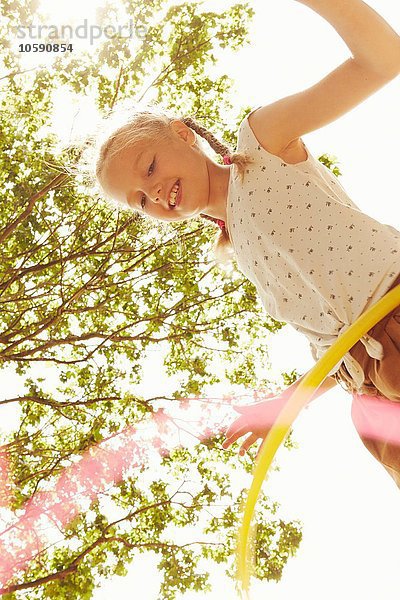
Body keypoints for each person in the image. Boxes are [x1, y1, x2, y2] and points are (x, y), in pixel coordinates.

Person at [90, 0, 400, 487]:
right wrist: (286, 402)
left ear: (180, 134)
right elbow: (333, 339)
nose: (153, 194)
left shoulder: (260, 146)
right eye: (139, 201)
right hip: (369, 392)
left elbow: (383, 58)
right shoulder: (242, 251)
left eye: (149, 167)